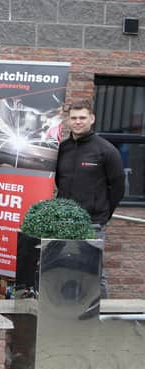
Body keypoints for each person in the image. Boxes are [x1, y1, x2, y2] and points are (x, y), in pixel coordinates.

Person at [55, 99, 124, 298]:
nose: (78, 122)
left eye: (82, 118)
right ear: (68, 120)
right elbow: (61, 181)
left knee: (94, 273)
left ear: (91, 119)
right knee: (66, 270)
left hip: (92, 223)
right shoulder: (62, 149)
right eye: (74, 118)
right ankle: (70, 318)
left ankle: (100, 320)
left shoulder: (106, 150)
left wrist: (102, 214)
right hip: (64, 223)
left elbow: (118, 188)